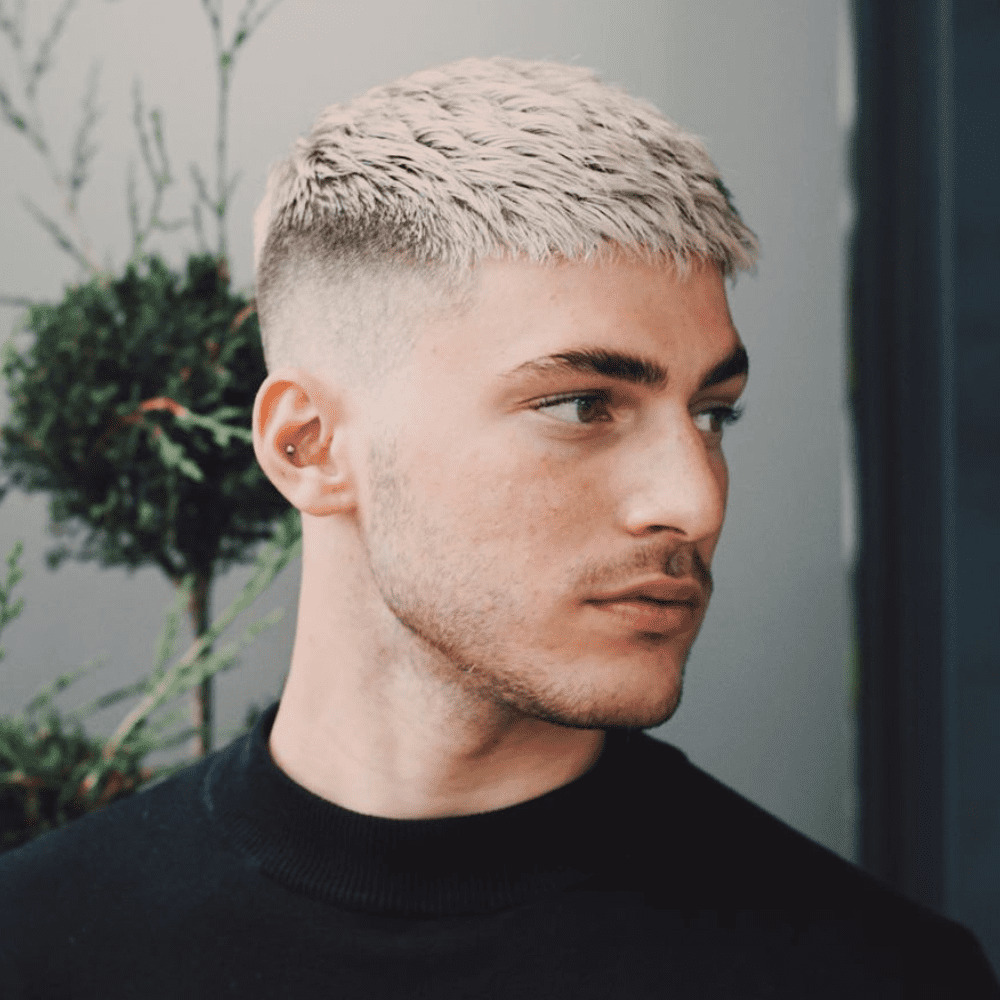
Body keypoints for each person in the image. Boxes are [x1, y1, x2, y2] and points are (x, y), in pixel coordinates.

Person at [1, 56, 996, 999]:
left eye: (711, 413)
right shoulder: (40, 949)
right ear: (309, 447)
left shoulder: (875, 975)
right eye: (582, 405)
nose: (695, 502)